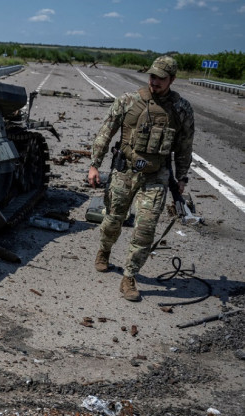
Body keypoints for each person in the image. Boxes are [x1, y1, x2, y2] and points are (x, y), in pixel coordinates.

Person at [87, 55, 194, 302]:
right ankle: (104, 251)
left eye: (161, 78)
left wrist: (182, 177)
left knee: (145, 229)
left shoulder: (180, 109)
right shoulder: (128, 101)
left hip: (156, 176)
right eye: (152, 76)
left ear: (172, 79)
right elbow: (106, 131)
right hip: (124, 172)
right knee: (113, 220)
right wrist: (94, 165)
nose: (154, 81)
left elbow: (185, 146)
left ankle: (129, 276)